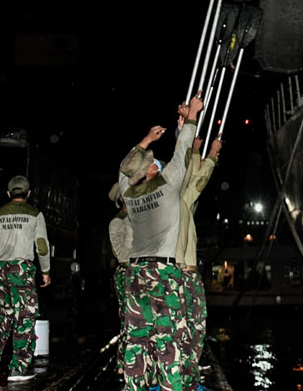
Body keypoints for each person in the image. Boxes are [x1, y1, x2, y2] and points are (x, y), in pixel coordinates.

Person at [117, 92, 202, 391]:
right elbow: (183, 153)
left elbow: (124, 171)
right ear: (151, 172)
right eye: (154, 162)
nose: (157, 163)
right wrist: (192, 115)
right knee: (169, 340)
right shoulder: (167, 187)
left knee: (137, 336)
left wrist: (145, 140)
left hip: (135, 272)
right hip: (164, 273)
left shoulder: (128, 194)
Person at [0, 175, 51, 382]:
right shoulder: (35, 214)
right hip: (22, 269)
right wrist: (45, 270)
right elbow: (42, 246)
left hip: (0, 270)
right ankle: (19, 368)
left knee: (4, 315)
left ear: (9, 194)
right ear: (28, 194)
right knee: (24, 318)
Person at [176, 136, 221, 391]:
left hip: (183, 274)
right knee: (192, 330)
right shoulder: (179, 199)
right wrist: (211, 156)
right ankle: (186, 379)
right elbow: (197, 181)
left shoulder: (180, 203)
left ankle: (185, 377)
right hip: (185, 275)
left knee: (185, 330)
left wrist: (195, 153)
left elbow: (192, 179)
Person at [108, 188, 133, 381]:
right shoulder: (117, 222)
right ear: (122, 199)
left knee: (137, 321)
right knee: (128, 320)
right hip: (126, 272)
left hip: (137, 271)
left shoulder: (135, 217)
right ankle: (122, 364)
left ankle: (129, 364)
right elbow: (119, 253)